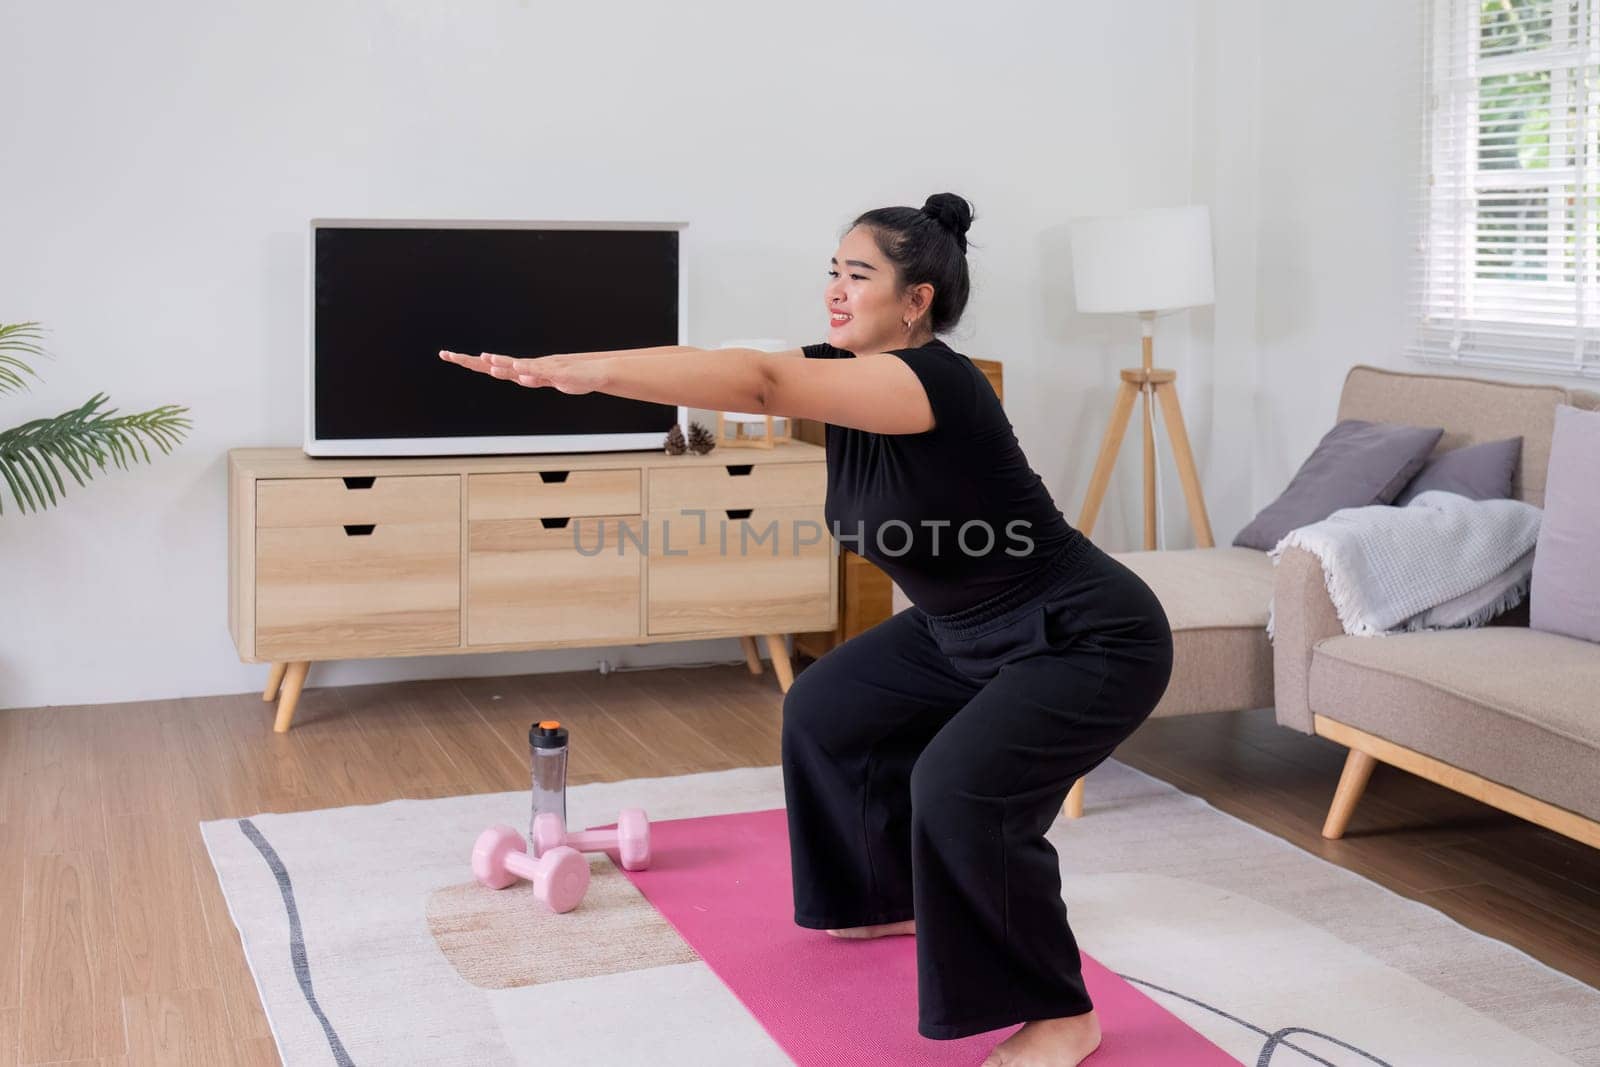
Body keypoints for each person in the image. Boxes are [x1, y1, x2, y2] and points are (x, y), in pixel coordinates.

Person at [442, 192, 1175, 1067]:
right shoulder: (841, 369)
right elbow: (731, 363)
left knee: (960, 786)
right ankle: (888, 895)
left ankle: (1060, 1014)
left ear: (917, 302)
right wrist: (578, 367)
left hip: (1081, 635)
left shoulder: (935, 380)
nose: (834, 289)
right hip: (960, 629)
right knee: (827, 707)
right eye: (831, 270)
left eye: (858, 275)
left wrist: (590, 372)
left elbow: (758, 380)